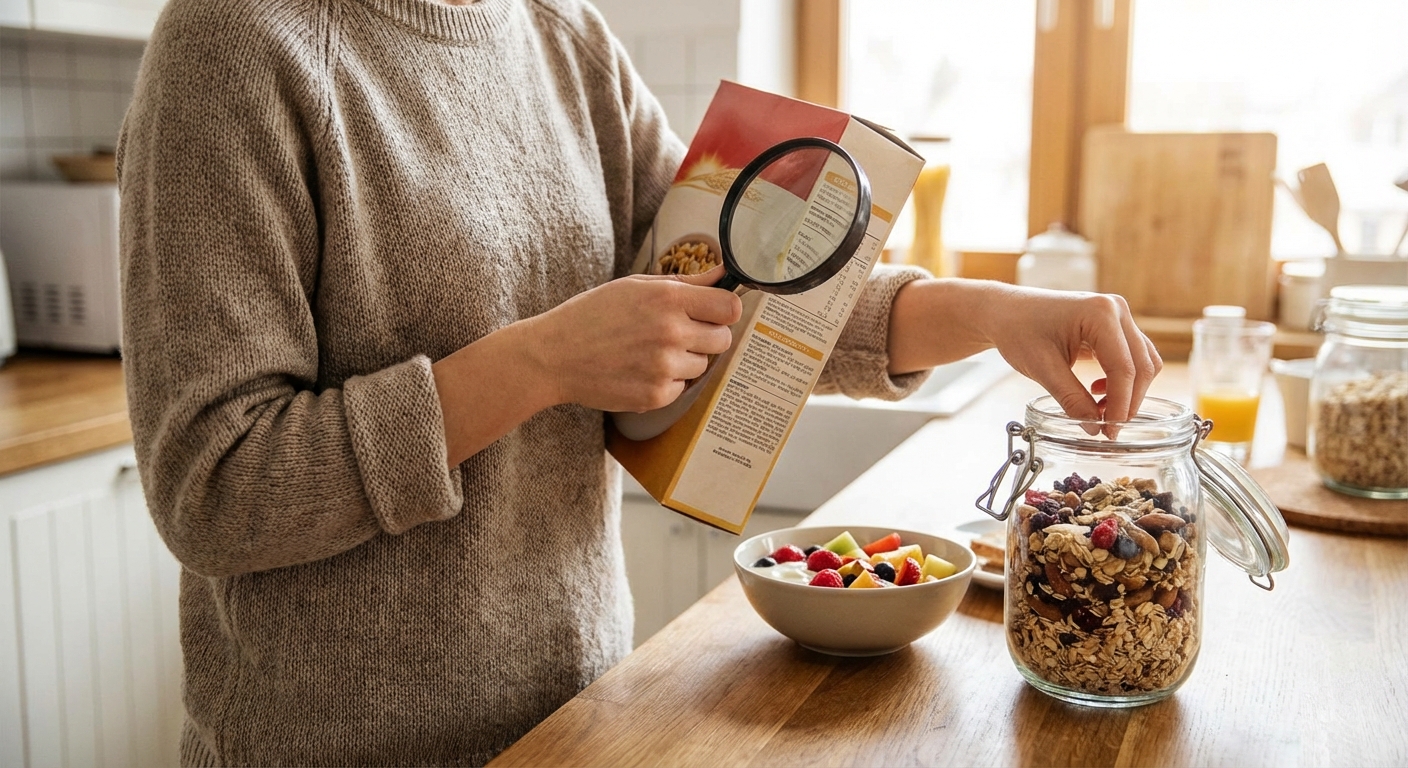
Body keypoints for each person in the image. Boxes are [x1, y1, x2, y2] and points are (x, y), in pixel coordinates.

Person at [117, 0, 1161, 764]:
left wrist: (989, 310)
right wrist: (540, 362)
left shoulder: (565, 37)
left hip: (582, 717)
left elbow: (748, 297)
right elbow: (214, 489)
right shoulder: (233, 46)